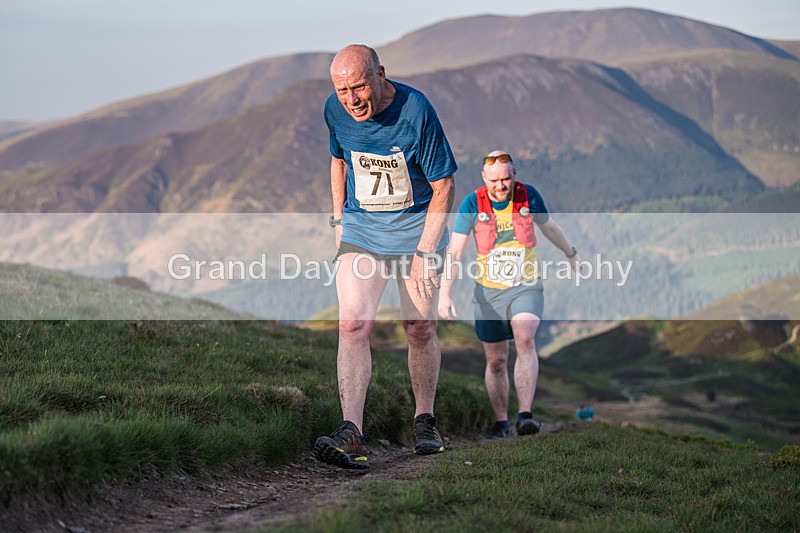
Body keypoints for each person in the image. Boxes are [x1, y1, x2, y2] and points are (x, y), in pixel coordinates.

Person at [312, 44, 457, 469]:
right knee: (353, 324)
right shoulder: (334, 110)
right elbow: (338, 160)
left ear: (380, 75)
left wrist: (425, 251)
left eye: (358, 87)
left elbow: (444, 185)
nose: (351, 100)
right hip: (363, 232)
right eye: (342, 90)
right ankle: (352, 431)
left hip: (417, 232)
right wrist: (339, 221)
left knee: (419, 328)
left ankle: (424, 422)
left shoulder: (416, 110)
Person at [438, 150, 581, 439]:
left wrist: (571, 253)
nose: (501, 186)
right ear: (483, 178)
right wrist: (445, 293)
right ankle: (500, 422)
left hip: (526, 286)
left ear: (514, 175)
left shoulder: (528, 196)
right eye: (494, 181)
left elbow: (550, 228)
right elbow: (455, 251)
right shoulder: (471, 204)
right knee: (496, 361)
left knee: (525, 339)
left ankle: (525, 416)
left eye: (505, 179)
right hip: (488, 293)